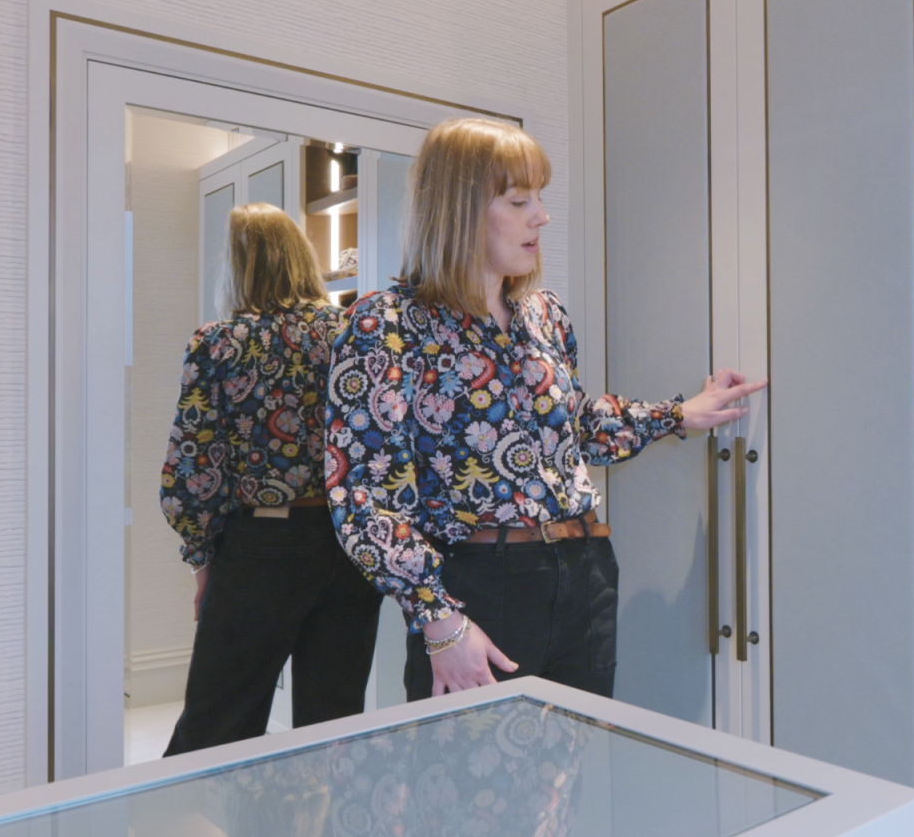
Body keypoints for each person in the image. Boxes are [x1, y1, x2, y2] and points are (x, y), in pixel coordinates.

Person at [325, 117, 763, 700]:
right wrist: (438, 619)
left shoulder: (543, 313)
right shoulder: (384, 326)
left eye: (541, 197)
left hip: (586, 573)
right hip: (480, 590)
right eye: (519, 199)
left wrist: (679, 414)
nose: (542, 216)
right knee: (472, 778)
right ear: (459, 210)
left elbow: (573, 427)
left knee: (574, 769)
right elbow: (361, 493)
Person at [159, 202, 381, 754]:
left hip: (262, 545)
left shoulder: (221, 342)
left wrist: (202, 558)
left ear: (240, 265)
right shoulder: (355, 334)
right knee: (334, 727)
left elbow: (192, 467)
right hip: (353, 543)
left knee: (216, 728)